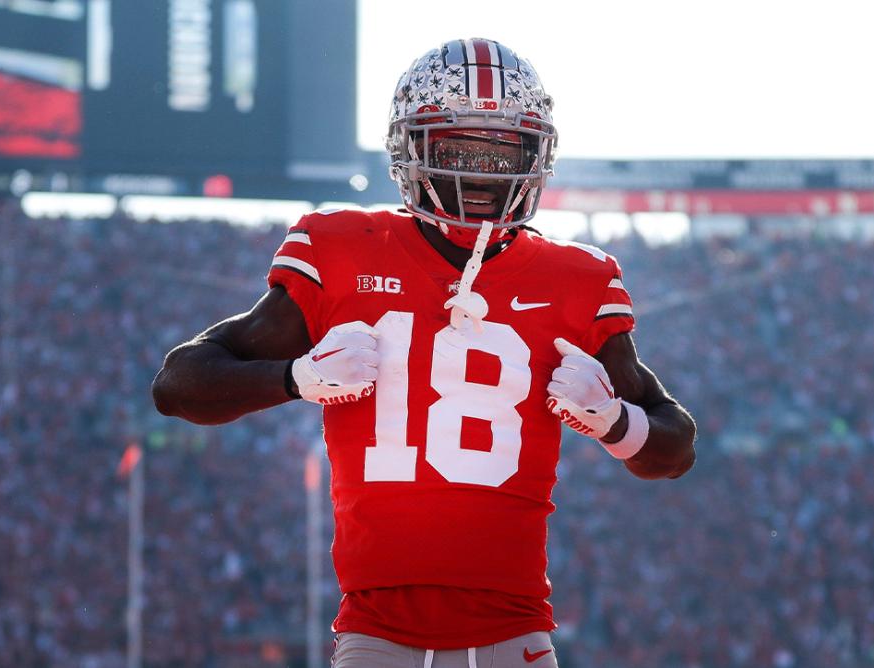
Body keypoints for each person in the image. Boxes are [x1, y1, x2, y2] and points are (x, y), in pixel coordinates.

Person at [152, 38, 696, 668]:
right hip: (375, 637)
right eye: (460, 150)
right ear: (412, 150)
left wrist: (616, 422)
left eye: (502, 153)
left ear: (536, 156)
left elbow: (675, 447)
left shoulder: (577, 280)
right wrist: (293, 377)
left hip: (516, 636)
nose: (482, 174)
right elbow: (177, 385)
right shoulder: (343, 249)